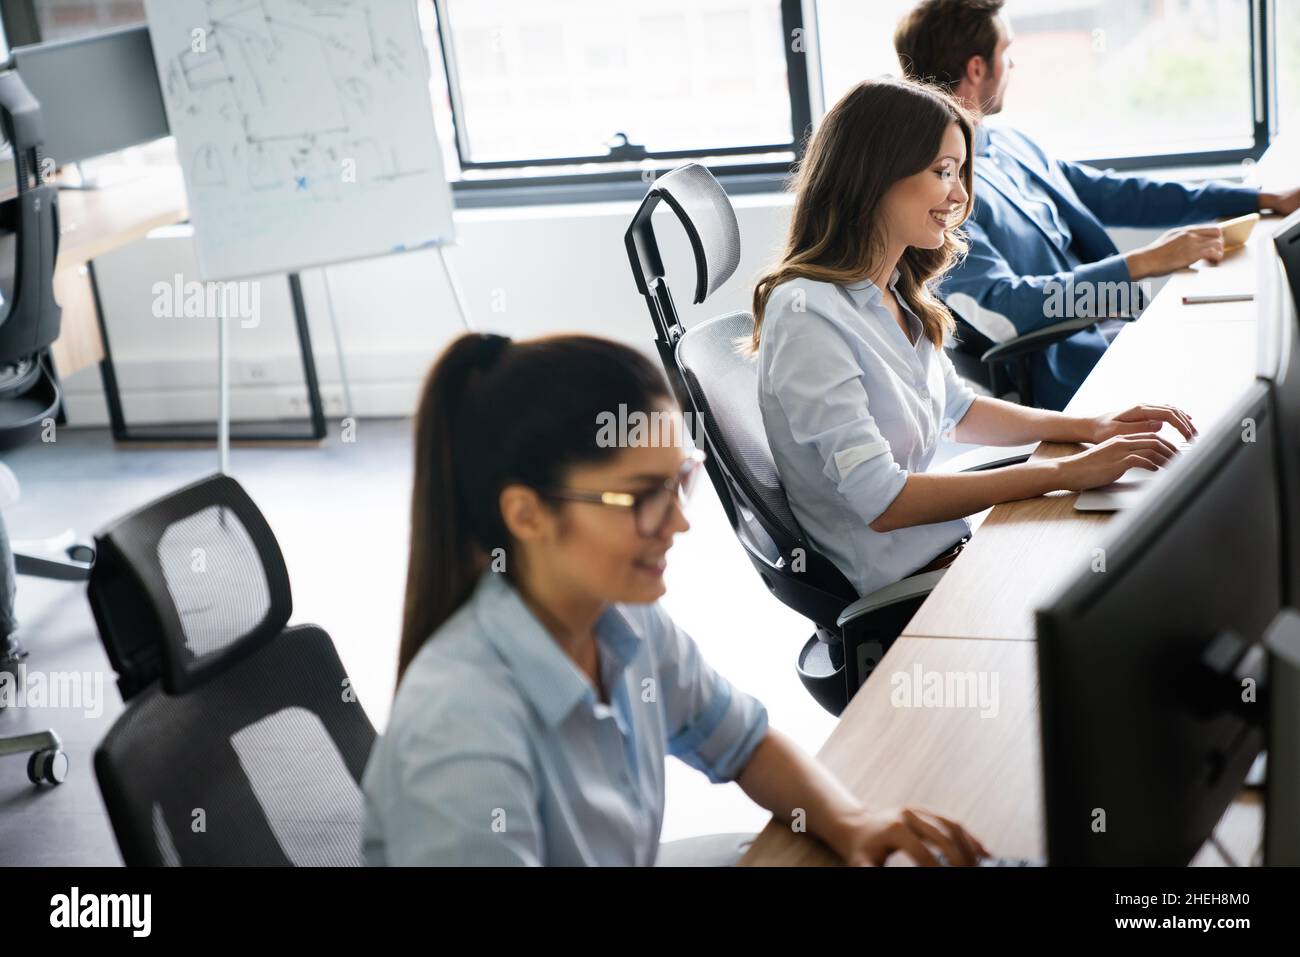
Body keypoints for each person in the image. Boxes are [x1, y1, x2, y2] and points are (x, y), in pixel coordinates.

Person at [361, 331, 989, 866]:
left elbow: (743, 742)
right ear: (526, 515)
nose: (678, 523)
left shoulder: (623, 623)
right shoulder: (459, 735)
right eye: (640, 497)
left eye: (678, 482)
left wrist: (850, 822)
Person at [752, 77, 1196, 600]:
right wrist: (1067, 471)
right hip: (909, 588)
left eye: (961, 172)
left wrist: (1091, 426)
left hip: (948, 551)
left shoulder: (893, 292)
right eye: (943, 172)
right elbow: (884, 502)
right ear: (874, 175)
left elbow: (960, 413)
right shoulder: (807, 316)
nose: (961, 194)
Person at [894, 0, 1300, 410]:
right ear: (978, 68)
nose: (1013, 65)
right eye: (1007, 51)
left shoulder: (1008, 145)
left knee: (1248, 343)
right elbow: (1006, 310)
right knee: (1245, 379)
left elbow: (1119, 194)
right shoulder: (942, 194)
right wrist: (1143, 263)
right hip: (1071, 370)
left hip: (1112, 332)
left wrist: (1257, 198)